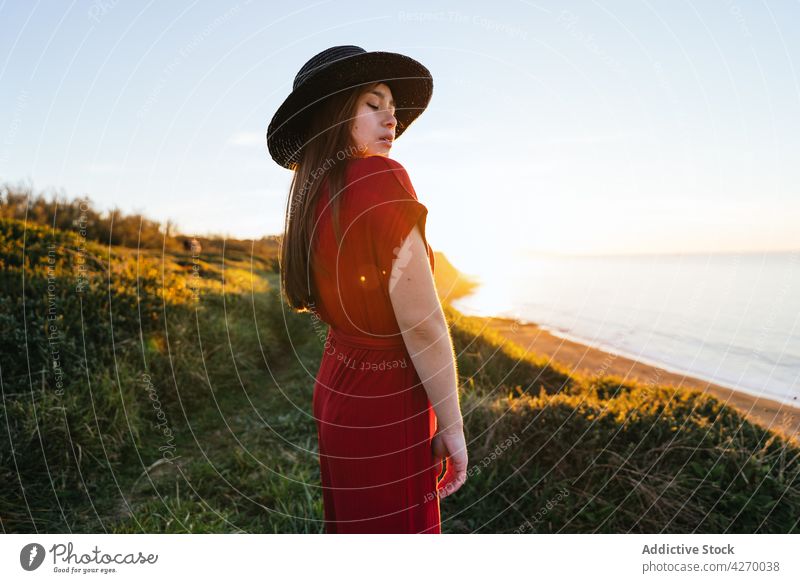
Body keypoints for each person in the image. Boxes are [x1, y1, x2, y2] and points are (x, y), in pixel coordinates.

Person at [267, 45, 467, 534]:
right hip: (386, 400)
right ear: (335, 114)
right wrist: (453, 425)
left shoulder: (313, 197)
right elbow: (422, 325)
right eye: (373, 105)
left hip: (338, 388)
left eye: (393, 109)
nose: (391, 119)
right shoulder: (383, 179)